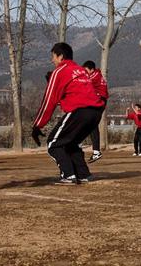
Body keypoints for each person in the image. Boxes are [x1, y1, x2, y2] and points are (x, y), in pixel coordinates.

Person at [32, 43, 105, 185]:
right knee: (70, 143)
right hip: (96, 113)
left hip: (80, 111)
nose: (52, 60)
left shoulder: (60, 71)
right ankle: (83, 174)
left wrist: (37, 125)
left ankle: (69, 175)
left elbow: (48, 101)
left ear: (60, 56)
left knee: (54, 143)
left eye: (53, 56)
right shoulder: (81, 70)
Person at [82, 60, 109, 163]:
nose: (85, 72)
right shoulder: (96, 74)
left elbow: (82, 84)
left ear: (92, 70)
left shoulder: (94, 76)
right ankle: (96, 151)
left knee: (89, 123)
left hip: (99, 101)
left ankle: (95, 151)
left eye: (86, 70)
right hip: (98, 101)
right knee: (91, 125)